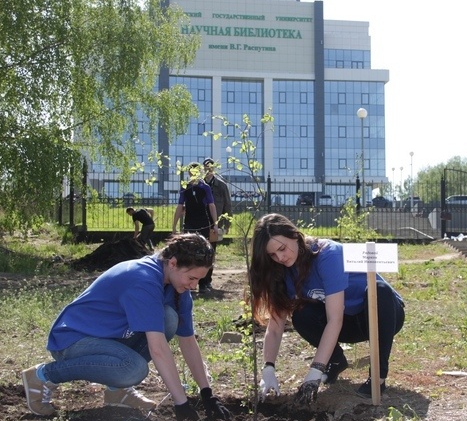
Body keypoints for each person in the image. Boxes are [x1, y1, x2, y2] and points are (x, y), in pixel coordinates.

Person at [21, 233, 230, 421]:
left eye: (198, 281)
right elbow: (158, 349)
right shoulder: (143, 279)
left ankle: (117, 391)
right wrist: (181, 403)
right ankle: (42, 376)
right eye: (192, 278)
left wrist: (207, 393)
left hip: (108, 340)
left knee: (169, 318)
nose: (194, 286)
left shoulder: (176, 287)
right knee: (133, 369)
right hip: (73, 341)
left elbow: (188, 341)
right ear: (173, 263)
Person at [248, 213, 405, 403]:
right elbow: (274, 327)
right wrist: (268, 368)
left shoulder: (327, 254)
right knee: (301, 315)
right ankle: (336, 361)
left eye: (282, 248)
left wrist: (315, 370)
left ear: (294, 235)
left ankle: (378, 376)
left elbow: (334, 319)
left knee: (381, 291)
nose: (280, 257)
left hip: (379, 316)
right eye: (272, 254)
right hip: (345, 323)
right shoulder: (282, 271)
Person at [172, 163, 219, 294]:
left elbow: (212, 205)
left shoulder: (205, 187)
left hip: (203, 223)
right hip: (189, 224)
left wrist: (215, 223)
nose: (193, 173)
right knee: (188, 252)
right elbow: (180, 206)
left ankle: (204, 283)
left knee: (205, 252)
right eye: (191, 171)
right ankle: (187, 281)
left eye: (196, 171)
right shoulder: (185, 187)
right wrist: (174, 225)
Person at [201, 157, 232, 293]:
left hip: (214, 225)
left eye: (210, 167)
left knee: (210, 253)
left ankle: (207, 281)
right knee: (199, 253)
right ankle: (200, 281)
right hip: (200, 224)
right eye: (206, 167)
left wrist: (227, 224)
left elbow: (227, 205)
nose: (208, 169)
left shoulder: (221, 185)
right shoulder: (199, 184)